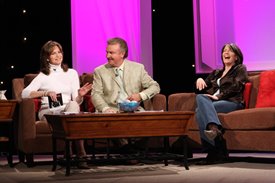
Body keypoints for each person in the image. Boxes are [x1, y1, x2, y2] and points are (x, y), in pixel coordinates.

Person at [21, 40, 92, 169]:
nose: (58, 55)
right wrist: (45, 93)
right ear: (47, 57)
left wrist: (80, 95)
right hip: (49, 111)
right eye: (53, 53)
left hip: (68, 110)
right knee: (72, 117)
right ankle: (80, 155)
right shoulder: (43, 76)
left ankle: (72, 153)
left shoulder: (71, 73)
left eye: (59, 52)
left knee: (72, 107)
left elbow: (76, 102)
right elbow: (24, 94)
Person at [91, 37, 160, 152]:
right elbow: (95, 94)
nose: (107, 56)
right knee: (114, 125)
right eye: (107, 52)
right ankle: (129, 151)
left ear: (122, 54)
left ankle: (131, 150)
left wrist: (140, 96)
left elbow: (155, 86)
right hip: (112, 111)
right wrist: (105, 108)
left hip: (133, 110)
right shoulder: (100, 71)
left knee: (150, 123)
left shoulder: (138, 68)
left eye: (111, 53)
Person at [195, 43, 249, 164]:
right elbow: (201, 87)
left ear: (236, 56)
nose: (226, 53)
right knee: (200, 99)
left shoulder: (240, 69)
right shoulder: (216, 73)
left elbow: (236, 86)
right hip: (216, 102)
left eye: (230, 51)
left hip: (232, 102)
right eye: (224, 51)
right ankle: (214, 132)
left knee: (200, 112)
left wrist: (217, 96)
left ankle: (213, 151)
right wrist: (199, 79)